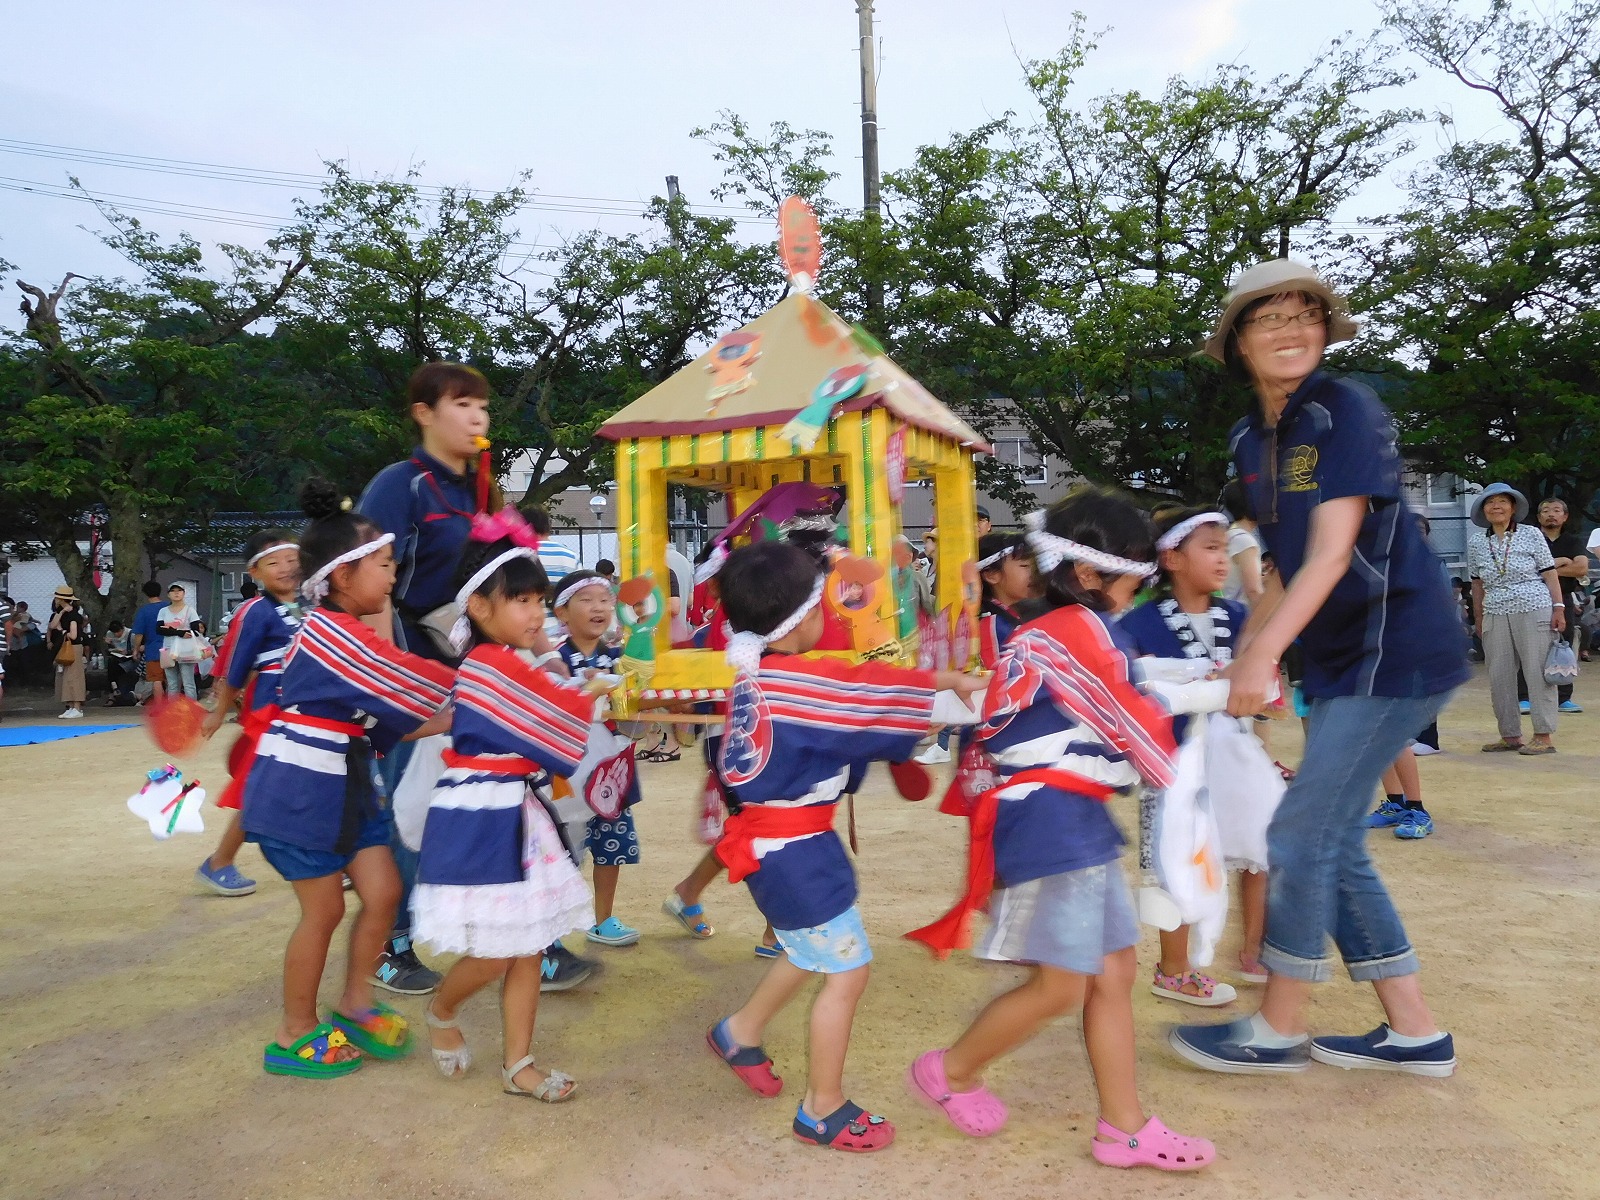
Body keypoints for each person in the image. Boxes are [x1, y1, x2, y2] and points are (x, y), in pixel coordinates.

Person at [1169, 258, 1466, 1079]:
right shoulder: (1250, 440)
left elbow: (1333, 555)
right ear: (1237, 342)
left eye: (1306, 314)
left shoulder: (1344, 409)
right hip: (1340, 659)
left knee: (1299, 832)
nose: (1290, 330)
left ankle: (1279, 1026)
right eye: (1268, 319)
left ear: (1326, 328)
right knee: (1336, 840)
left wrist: (1261, 658)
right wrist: (1236, 659)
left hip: (1398, 646)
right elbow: (1284, 568)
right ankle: (1415, 1032)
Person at [906, 489, 1216, 1172]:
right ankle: (950, 1070)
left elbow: (1124, 696)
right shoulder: (1077, 632)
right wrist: (1209, 711)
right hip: (1053, 817)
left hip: (1068, 815)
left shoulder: (1051, 630)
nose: (1138, 591)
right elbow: (1130, 715)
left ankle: (1124, 1127)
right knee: (1065, 984)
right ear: (1087, 573)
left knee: (1110, 974)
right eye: (1133, 577)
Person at [704, 540, 983, 1153]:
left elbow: (861, 681)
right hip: (793, 851)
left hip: (779, 847)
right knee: (847, 970)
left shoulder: (766, 674)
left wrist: (940, 679)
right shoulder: (800, 684)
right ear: (807, 615)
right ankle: (821, 1108)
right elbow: (864, 694)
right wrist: (945, 696)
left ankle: (739, 1031)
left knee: (809, 950)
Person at [241, 479, 454, 1079]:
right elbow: (405, 677)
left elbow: (390, 716)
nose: (392, 577)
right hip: (301, 789)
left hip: (349, 780)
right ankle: (293, 1031)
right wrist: (486, 685)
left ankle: (356, 1003)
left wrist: (454, 717)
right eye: (383, 565)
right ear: (340, 576)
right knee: (324, 909)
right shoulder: (331, 634)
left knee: (384, 892)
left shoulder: (350, 633)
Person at [411, 514, 596, 1100]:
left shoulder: (507, 663)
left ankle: (519, 1063)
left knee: (528, 946)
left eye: (539, 599)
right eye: (520, 600)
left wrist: (584, 691)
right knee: (500, 951)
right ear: (481, 609)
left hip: (515, 812)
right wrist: (590, 696)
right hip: (482, 817)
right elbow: (557, 723)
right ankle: (442, 1011)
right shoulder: (491, 666)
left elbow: (555, 703)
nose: (536, 612)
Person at [1120, 507, 1258, 1000]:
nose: (1224, 559)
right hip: (1171, 762)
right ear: (1172, 558)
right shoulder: (1139, 623)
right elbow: (1134, 695)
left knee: (1256, 850)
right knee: (1171, 856)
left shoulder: (1238, 617)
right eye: (1211, 548)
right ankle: (1174, 968)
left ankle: (1255, 953)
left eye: (1225, 549)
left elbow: (1262, 691)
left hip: (1233, 754)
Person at [196, 530, 303, 899]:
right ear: (255, 573)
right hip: (271, 712)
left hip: (303, 709)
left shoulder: (313, 604)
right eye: (273, 563)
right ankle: (219, 862)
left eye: (291, 559)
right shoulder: (256, 611)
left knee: (295, 786)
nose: (286, 568)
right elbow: (237, 667)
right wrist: (218, 712)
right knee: (258, 790)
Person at [551, 570, 646, 948]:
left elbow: (636, 719)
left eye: (606, 600)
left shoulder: (621, 659)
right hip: (568, 769)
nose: (599, 608)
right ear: (562, 611)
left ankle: (603, 919)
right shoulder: (553, 660)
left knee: (611, 846)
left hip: (612, 771)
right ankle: (552, 930)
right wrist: (586, 688)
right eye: (587, 600)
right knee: (561, 848)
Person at [1468, 483, 1565, 755]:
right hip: (1495, 609)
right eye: (1490, 502)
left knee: (1537, 671)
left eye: (1502, 501)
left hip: (1533, 605)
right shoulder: (1477, 541)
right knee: (1499, 675)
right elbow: (1476, 583)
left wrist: (1558, 608)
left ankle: (1543, 735)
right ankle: (1510, 735)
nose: (1496, 506)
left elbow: (1549, 573)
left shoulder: (1531, 533)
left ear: (1513, 508)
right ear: (1482, 509)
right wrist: (1478, 615)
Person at [1515, 497, 1587, 714]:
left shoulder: (1572, 541)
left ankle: (1563, 697)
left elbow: (1581, 569)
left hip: (1563, 599)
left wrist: (1547, 570)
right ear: (1538, 517)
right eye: (1546, 511)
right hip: (1532, 599)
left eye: (1557, 510)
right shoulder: (1530, 538)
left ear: (1565, 517)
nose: (1551, 514)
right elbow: (1526, 569)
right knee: (1528, 648)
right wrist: (1562, 561)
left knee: (1563, 646)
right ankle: (1524, 696)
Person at [157, 584, 204, 701]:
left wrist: (171, 630)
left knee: (188, 683)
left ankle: (192, 710)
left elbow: (195, 630)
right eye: (173, 591)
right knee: (172, 684)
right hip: (168, 648)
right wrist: (179, 632)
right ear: (168, 594)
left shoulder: (190, 610)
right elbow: (159, 629)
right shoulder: (163, 611)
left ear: (184, 593)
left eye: (179, 590)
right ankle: (173, 711)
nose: (176, 593)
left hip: (186, 649)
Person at [47, 586, 89, 719]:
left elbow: (74, 635)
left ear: (60, 599)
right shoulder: (63, 613)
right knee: (66, 677)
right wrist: (61, 613)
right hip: (67, 647)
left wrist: (62, 630)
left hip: (74, 647)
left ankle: (77, 707)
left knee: (74, 677)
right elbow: (52, 625)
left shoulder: (73, 616)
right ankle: (71, 706)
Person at [129, 582, 165, 703]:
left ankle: (160, 707)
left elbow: (139, 634)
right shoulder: (169, 606)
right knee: (173, 680)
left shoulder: (144, 611)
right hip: (172, 647)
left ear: (146, 594)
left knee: (157, 679)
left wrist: (136, 649)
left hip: (154, 649)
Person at [103, 621, 136, 705]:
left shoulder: (131, 634)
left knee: (112, 668)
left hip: (128, 659)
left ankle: (113, 692)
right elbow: (108, 650)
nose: (116, 635)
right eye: (114, 633)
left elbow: (136, 649)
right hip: (116, 658)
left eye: (118, 632)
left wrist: (127, 652)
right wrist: (109, 645)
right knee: (111, 664)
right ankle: (114, 689)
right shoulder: (109, 634)